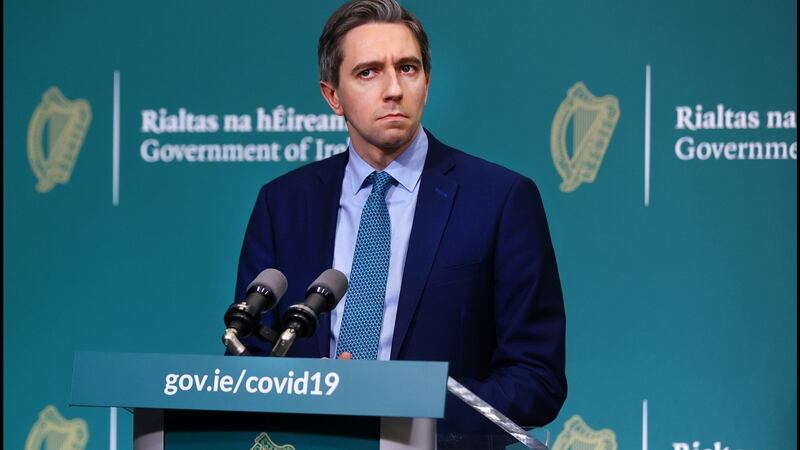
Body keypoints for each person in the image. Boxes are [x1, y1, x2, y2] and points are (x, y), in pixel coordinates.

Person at [235, 0, 567, 433]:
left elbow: (536, 378)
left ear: (426, 84)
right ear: (333, 96)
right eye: (368, 72)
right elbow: (247, 359)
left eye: (408, 68)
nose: (393, 88)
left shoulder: (500, 200)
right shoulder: (282, 205)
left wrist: (404, 409)